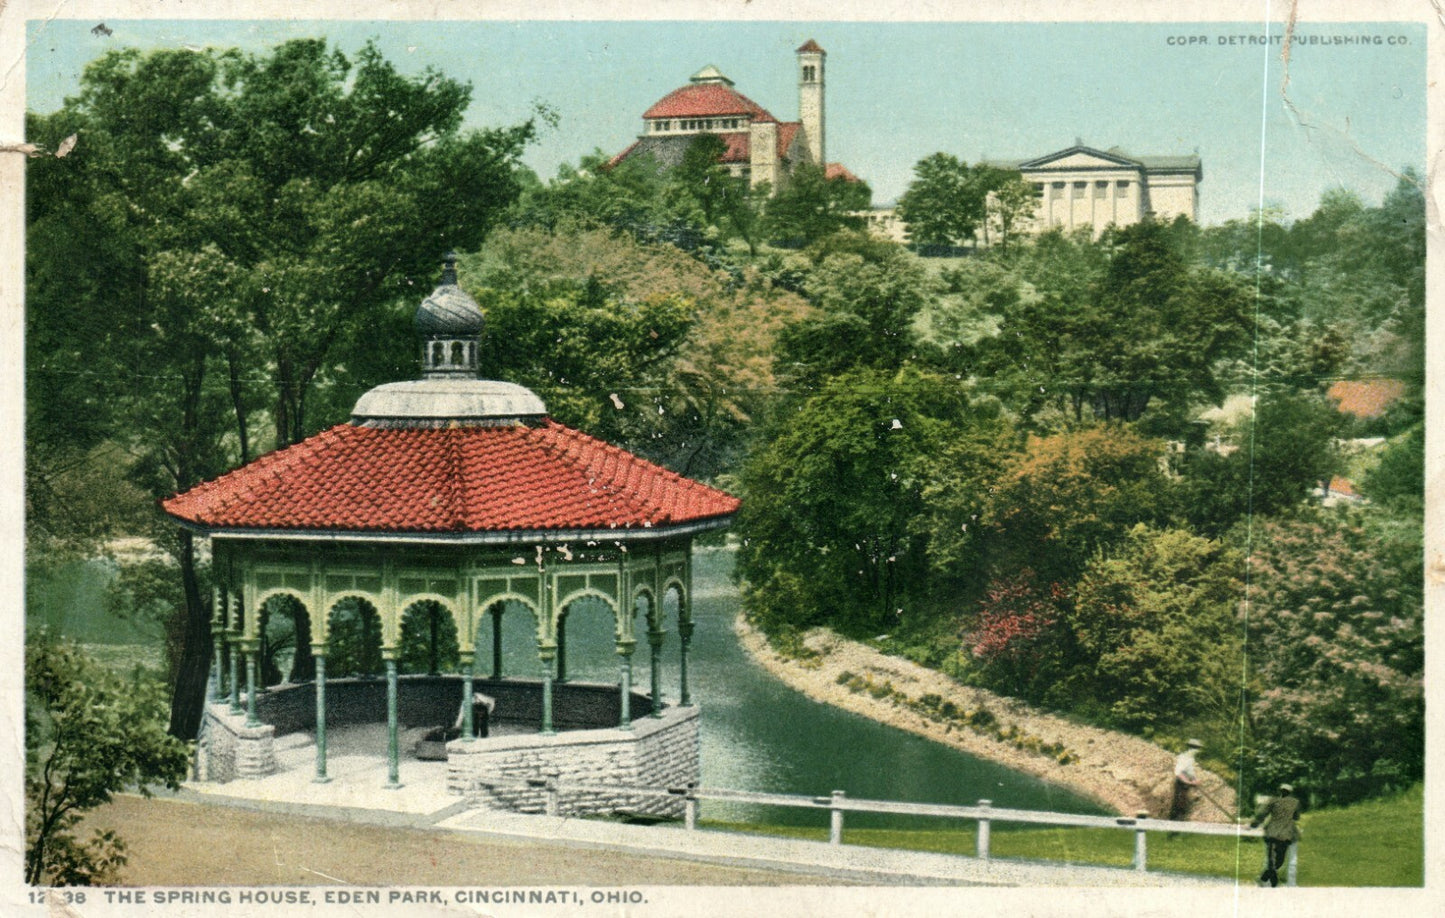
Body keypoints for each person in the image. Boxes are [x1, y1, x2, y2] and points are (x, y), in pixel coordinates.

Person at [1250, 783, 1301, 887]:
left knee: (1270, 858)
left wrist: (1254, 823)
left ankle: (1265, 879)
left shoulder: (1273, 801)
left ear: (1280, 791)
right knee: (1284, 859)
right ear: (1290, 793)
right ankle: (1281, 881)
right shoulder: (1295, 803)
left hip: (1272, 832)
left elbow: (1261, 814)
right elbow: (1296, 817)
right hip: (1287, 833)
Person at [1169, 738, 1203, 820]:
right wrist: (1189, 782)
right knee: (1179, 804)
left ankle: (1179, 823)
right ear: (1190, 748)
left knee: (1184, 804)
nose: (1197, 751)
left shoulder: (1190, 759)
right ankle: (1174, 824)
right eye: (1196, 748)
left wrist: (1195, 779)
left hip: (1186, 784)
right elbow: (1178, 773)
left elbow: (1190, 772)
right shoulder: (1184, 758)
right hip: (1181, 784)